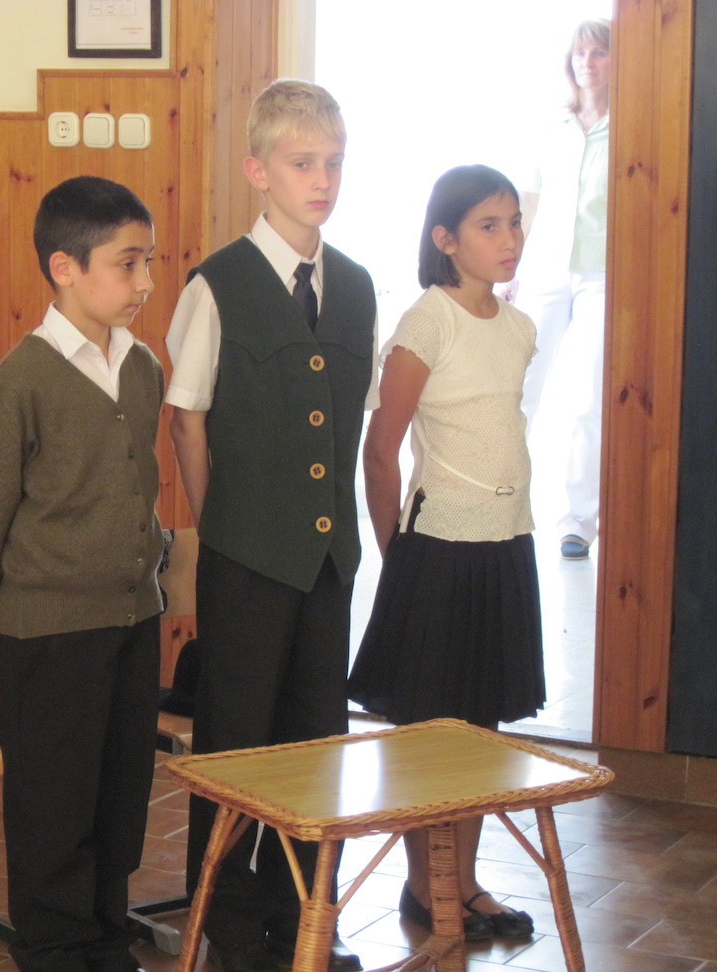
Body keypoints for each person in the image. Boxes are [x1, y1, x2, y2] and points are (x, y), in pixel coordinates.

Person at [165, 78, 375, 972]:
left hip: (327, 562)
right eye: (301, 163)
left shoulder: (356, 286)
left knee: (317, 739)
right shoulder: (216, 284)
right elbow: (188, 419)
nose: (321, 180)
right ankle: (222, 914)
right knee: (236, 739)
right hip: (246, 556)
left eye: (334, 163)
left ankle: (304, 916)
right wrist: (223, 526)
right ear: (258, 170)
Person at [0, 175, 164, 972]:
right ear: (64, 268)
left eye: (149, 262)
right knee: (54, 800)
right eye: (127, 263)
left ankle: (104, 935)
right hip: (45, 631)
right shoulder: (19, 382)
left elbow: (136, 492)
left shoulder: (141, 367)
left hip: (131, 618)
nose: (145, 282)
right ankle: (53, 947)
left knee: (119, 791)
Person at [349, 164, 547, 943]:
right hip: (437, 552)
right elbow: (381, 450)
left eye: (514, 222)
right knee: (431, 731)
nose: (509, 238)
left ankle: (464, 883)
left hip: (506, 546)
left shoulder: (519, 328)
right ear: (446, 239)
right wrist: (397, 553)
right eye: (489, 226)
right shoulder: (428, 320)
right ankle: (425, 887)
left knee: (481, 728)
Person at [511, 18, 611, 561]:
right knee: (517, 384)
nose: (587, 63)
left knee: (589, 397)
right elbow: (528, 202)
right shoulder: (553, 125)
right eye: (580, 54)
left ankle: (577, 523)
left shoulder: (631, 124)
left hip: (603, 274)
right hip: (546, 269)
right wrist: (512, 268)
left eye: (599, 53)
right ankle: (499, 499)